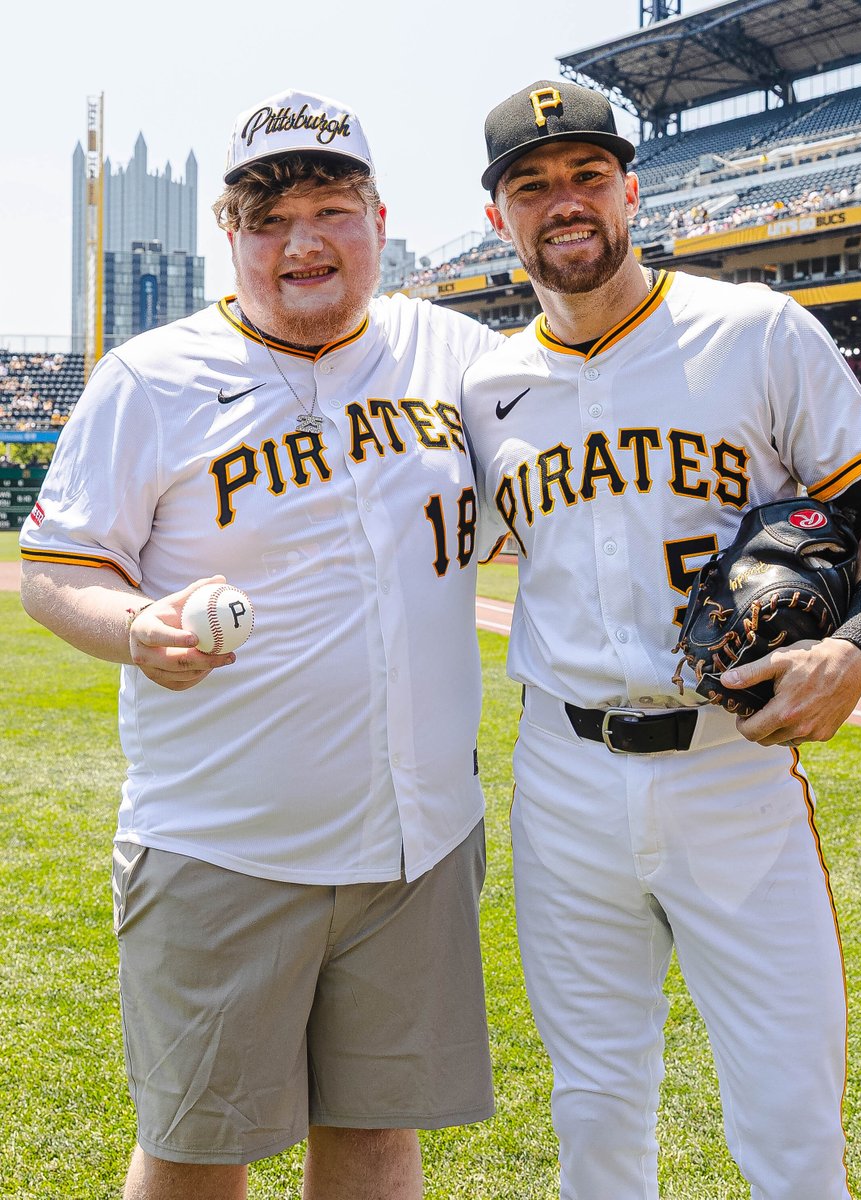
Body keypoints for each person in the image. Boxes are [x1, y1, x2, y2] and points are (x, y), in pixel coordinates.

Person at [20, 88, 503, 1200]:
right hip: (225, 845)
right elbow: (58, 568)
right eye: (266, 219)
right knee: (197, 1150)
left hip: (416, 846)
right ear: (228, 237)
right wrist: (134, 626)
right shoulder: (149, 377)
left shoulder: (458, 353)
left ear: (379, 219)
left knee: (379, 1140)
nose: (300, 242)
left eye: (329, 208)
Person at [461, 80, 861, 1199]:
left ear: (631, 188)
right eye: (532, 185)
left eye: (586, 175)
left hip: (736, 770)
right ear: (499, 219)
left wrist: (859, 647)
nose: (563, 203)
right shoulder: (484, 384)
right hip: (564, 777)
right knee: (594, 1114)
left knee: (790, 1120)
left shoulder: (755, 329)